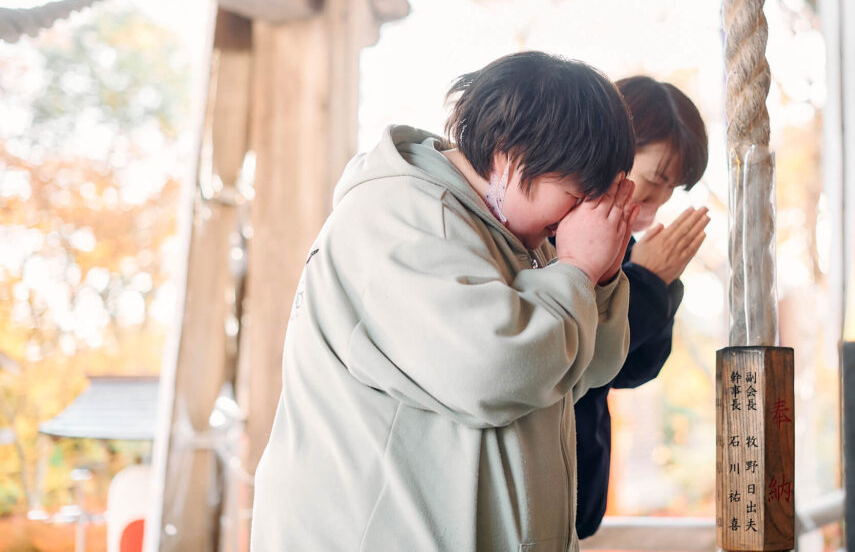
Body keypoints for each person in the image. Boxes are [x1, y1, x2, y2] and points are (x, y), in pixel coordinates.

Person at [251, 51, 641, 551]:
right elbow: (495, 369)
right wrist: (578, 271)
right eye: (578, 192)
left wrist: (600, 279)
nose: (585, 214)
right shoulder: (399, 214)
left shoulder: (517, 235)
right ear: (508, 152)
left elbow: (582, 372)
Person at [574, 75, 710, 539]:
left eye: (666, 196)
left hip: (578, 507)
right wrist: (647, 283)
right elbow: (574, 356)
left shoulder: (627, 243)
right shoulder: (553, 233)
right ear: (610, 144)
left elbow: (631, 371)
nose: (651, 210)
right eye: (651, 184)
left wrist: (662, 284)